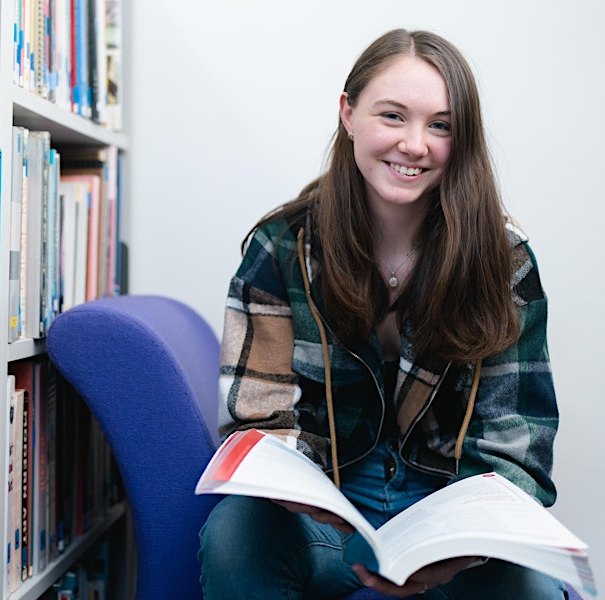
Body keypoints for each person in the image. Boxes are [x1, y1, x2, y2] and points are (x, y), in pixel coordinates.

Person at [198, 29, 566, 599]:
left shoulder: (505, 260)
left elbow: (518, 444)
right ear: (347, 113)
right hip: (329, 510)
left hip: (450, 506)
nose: (415, 144)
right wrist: (303, 495)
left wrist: (458, 549)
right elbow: (257, 421)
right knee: (234, 535)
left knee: (533, 591)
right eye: (392, 116)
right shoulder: (280, 248)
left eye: (440, 125)